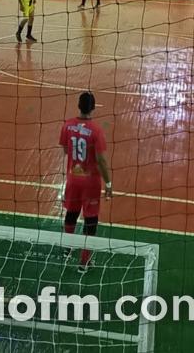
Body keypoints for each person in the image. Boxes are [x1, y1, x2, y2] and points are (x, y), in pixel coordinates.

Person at [58, 91, 112, 273]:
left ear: (78, 105)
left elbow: (66, 150)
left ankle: (68, 246)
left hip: (73, 179)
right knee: (90, 221)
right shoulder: (96, 131)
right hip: (90, 184)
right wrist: (109, 184)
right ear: (94, 107)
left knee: (71, 214)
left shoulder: (67, 125)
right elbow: (101, 160)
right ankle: (84, 262)